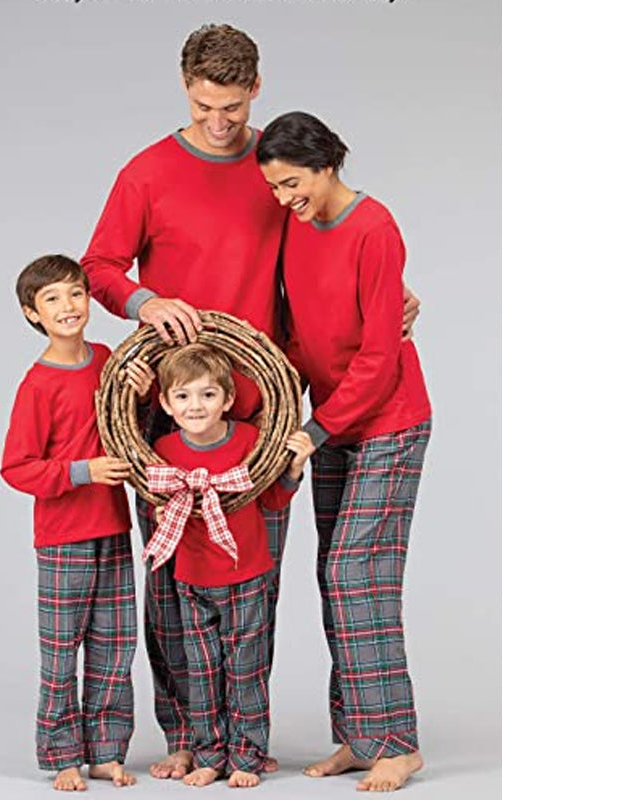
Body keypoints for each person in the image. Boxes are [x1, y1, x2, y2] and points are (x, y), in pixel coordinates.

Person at [80, 23, 422, 780]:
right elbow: (99, 265)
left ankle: (242, 737)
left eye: (232, 106)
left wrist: (391, 298)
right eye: (204, 106)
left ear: (256, 89)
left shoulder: (279, 166)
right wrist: (143, 301)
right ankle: (186, 735)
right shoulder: (146, 172)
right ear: (184, 88)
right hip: (170, 405)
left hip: (264, 411)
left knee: (251, 581)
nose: (218, 121)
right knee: (173, 580)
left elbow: (337, 240)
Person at [256, 112, 433, 792]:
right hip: (332, 424)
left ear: (327, 164)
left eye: (292, 183)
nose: (284, 199)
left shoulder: (374, 227)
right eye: (274, 188)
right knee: (338, 577)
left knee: (357, 572)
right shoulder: (296, 228)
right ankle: (359, 738)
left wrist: (316, 430)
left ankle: (397, 744)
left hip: (388, 421)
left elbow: (381, 355)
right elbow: (301, 334)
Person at [126, 344, 315, 788]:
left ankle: (247, 754)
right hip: (191, 580)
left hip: (246, 575)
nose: (196, 406)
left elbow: (272, 499)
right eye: (183, 396)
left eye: (208, 394)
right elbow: (158, 504)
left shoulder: (249, 441)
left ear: (228, 399)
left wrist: (295, 467)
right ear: (166, 404)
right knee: (203, 670)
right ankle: (210, 754)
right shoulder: (164, 451)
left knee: (245, 667)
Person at [0, 255, 137, 791]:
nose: (68, 305)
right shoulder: (37, 385)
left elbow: (129, 420)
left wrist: (142, 385)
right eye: (52, 298)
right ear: (32, 313)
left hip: (114, 527)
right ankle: (62, 756)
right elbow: (17, 467)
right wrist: (84, 471)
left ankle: (105, 752)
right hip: (63, 538)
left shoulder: (105, 358)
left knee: (115, 644)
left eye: (76, 293)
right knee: (61, 650)